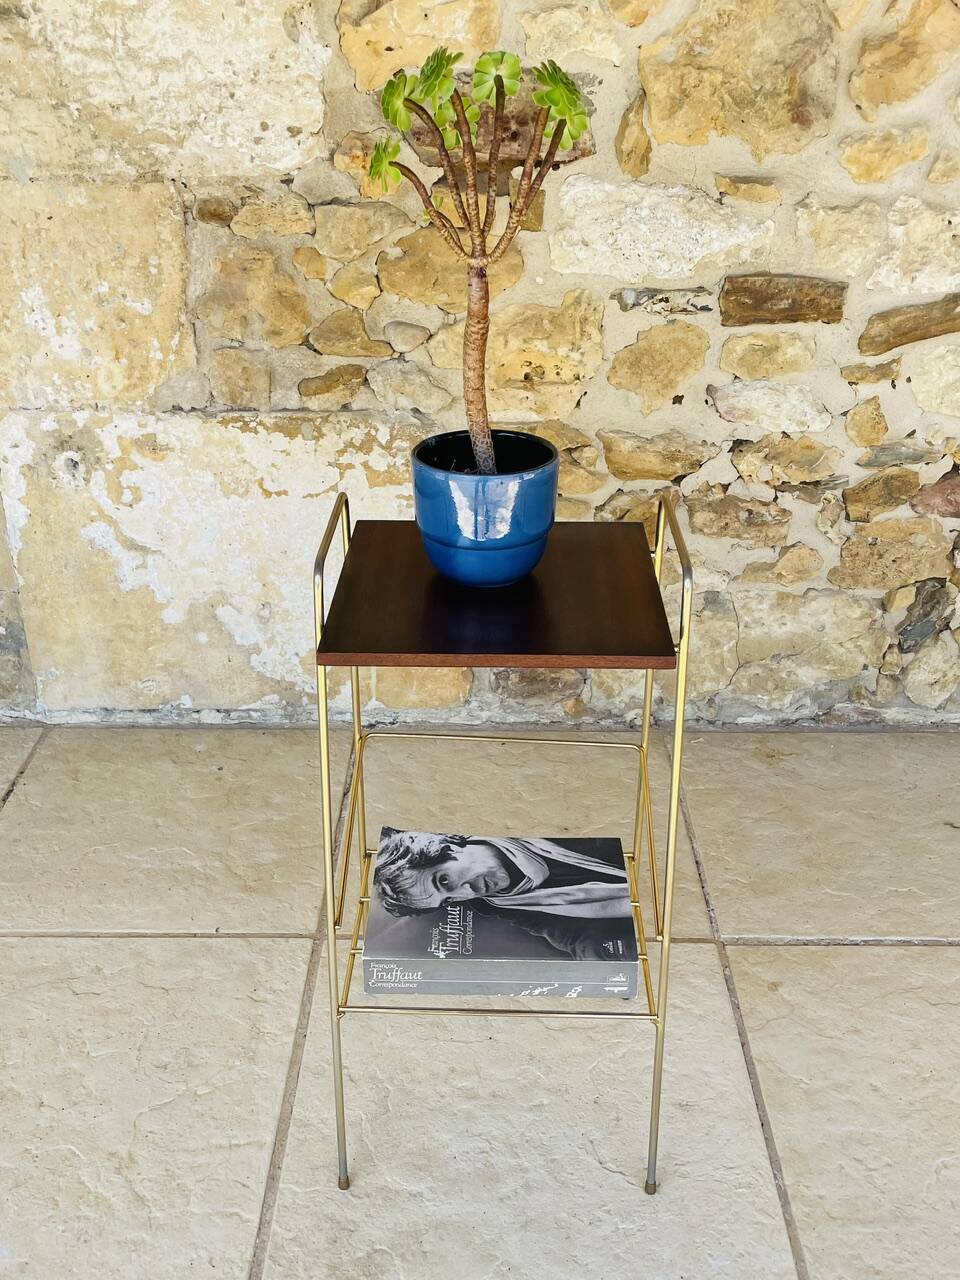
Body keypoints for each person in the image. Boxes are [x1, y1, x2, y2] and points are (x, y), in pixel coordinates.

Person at [372, 829, 635, 961]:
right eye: (449, 900)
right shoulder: (501, 903)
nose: (468, 892)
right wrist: (606, 968)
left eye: (444, 880)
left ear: (450, 848)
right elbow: (570, 933)